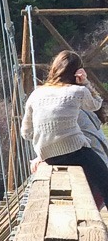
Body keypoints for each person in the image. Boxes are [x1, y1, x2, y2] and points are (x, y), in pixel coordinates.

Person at [22, 49, 107, 204]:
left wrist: (45, 145)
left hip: (46, 154)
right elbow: (96, 104)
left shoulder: (36, 94)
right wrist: (85, 82)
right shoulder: (78, 91)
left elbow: (26, 132)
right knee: (105, 181)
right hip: (75, 150)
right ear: (77, 72)